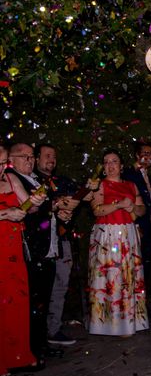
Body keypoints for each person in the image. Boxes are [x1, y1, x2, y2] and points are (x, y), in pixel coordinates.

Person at [7, 143, 62, 363]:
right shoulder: (13, 177)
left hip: (45, 245)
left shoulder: (34, 179)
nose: (29, 161)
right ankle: (32, 348)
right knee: (33, 301)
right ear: (12, 159)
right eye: (25, 157)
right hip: (30, 247)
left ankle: (40, 344)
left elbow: (40, 207)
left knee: (42, 299)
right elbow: (28, 209)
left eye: (31, 157)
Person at [88, 149, 148, 336]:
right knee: (110, 276)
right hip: (107, 234)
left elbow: (142, 210)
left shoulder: (131, 185)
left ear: (121, 166)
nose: (110, 165)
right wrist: (118, 205)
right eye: (106, 162)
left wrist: (133, 207)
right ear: (103, 167)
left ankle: (130, 322)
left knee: (128, 276)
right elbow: (97, 210)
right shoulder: (99, 185)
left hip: (128, 234)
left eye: (114, 161)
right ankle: (108, 323)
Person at [0, 145, 44, 376]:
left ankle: (18, 356)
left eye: (4, 162)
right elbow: (11, 212)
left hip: (12, 248)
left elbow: (27, 206)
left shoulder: (10, 177)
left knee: (16, 300)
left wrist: (36, 201)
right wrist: (6, 214)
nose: (2, 168)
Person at [34, 144, 81, 347]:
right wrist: (53, 210)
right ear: (36, 159)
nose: (51, 159)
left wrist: (68, 211)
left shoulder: (61, 181)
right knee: (39, 289)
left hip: (61, 240)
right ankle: (36, 334)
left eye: (54, 156)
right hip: (39, 244)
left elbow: (78, 198)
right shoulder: (30, 180)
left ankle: (52, 329)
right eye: (47, 156)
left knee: (60, 286)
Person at [123, 142, 151, 313]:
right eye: (144, 153)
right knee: (135, 265)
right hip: (136, 225)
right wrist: (135, 224)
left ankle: (144, 303)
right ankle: (134, 305)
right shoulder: (130, 174)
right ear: (137, 155)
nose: (147, 156)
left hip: (149, 227)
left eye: (150, 153)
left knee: (147, 265)